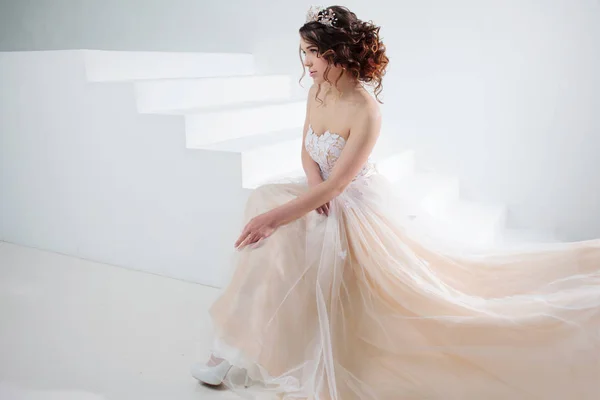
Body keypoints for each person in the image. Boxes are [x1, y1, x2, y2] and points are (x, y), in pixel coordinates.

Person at [190, 5, 600, 400]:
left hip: (350, 201)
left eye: (314, 53)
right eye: (304, 52)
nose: (306, 63)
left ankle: (234, 351)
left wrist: (280, 216)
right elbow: (306, 152)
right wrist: (306, 194)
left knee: (280, 227)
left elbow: (338, 188)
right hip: (319, 190)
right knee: (267, 213)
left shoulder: (366, 109)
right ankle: (230, 349)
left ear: (338, 54)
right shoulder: (318, 88)